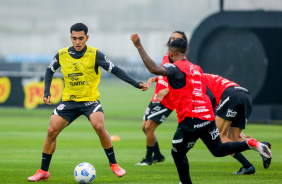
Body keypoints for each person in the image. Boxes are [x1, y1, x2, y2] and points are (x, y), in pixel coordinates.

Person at [131, 34, 272, 184]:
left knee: (177, 153)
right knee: (217, 149)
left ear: (171, 54)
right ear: (187, 52)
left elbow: (154, 68)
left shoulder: (175, 67)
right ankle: (249, 143)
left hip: (190, 120)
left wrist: (139, 47)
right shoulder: (196, 69)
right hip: (207, 118)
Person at [27, 23, 149, 182]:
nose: (77, 42)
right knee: (51, 131)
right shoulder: (62, 54)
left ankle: (114, 165)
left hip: (90, 101)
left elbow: (116, 70)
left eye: (81, 38)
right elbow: (50, 70)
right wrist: (46, 92)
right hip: (69, 102)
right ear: (70, 37)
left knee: (99, 126)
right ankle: (43, 170)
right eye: (74, 38)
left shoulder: (95, 54)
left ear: (87, 38)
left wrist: (136, 84)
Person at [135, 31, 188, 166]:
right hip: (156, 98)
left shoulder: (183, 63)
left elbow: (185, 83)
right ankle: (158, 155)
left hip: (167, 101)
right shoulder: (166, 57)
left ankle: (148, 159)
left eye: (177, 39)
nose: (173, 40)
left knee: (149, 128)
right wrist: (154, 79)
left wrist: (167, 89)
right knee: (144, 127)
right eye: (172, 38)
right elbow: (165, 75)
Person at [202, 73, 272, 174]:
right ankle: (261, 146)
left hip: (231, 95)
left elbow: (211, 99)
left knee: (218, 138)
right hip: (245, 95)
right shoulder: (203, 76)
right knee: (232, 140)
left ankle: (248, 164)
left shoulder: (195, 80)